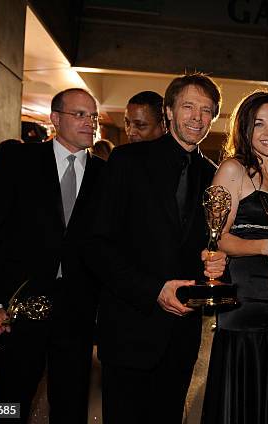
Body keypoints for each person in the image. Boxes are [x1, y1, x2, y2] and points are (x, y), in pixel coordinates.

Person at [83, 73, 227, 424]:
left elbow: (205, 243)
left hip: (181, 334)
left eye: (206, 110)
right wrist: (152, 290)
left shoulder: (214, 176)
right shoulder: (126, 162)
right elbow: (97, 244)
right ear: (169, 111)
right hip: (130, 325)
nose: (197, 117)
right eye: (188, 107)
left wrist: (214, 261)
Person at [0, 88, 105, 423]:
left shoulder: (107, 175)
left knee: (71, 402)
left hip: (78, 309)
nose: (89, 123)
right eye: (79, 114)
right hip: (19, 306)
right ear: (55, 118)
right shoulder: (17, 163)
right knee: (10, 397)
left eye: (93, 116)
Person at [201, 91, 268, 423]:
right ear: (245, 128)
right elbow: (219, 239)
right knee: (245, 399)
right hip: (246, 304)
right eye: (259, 124)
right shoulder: (234, 169)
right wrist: (267, 247)